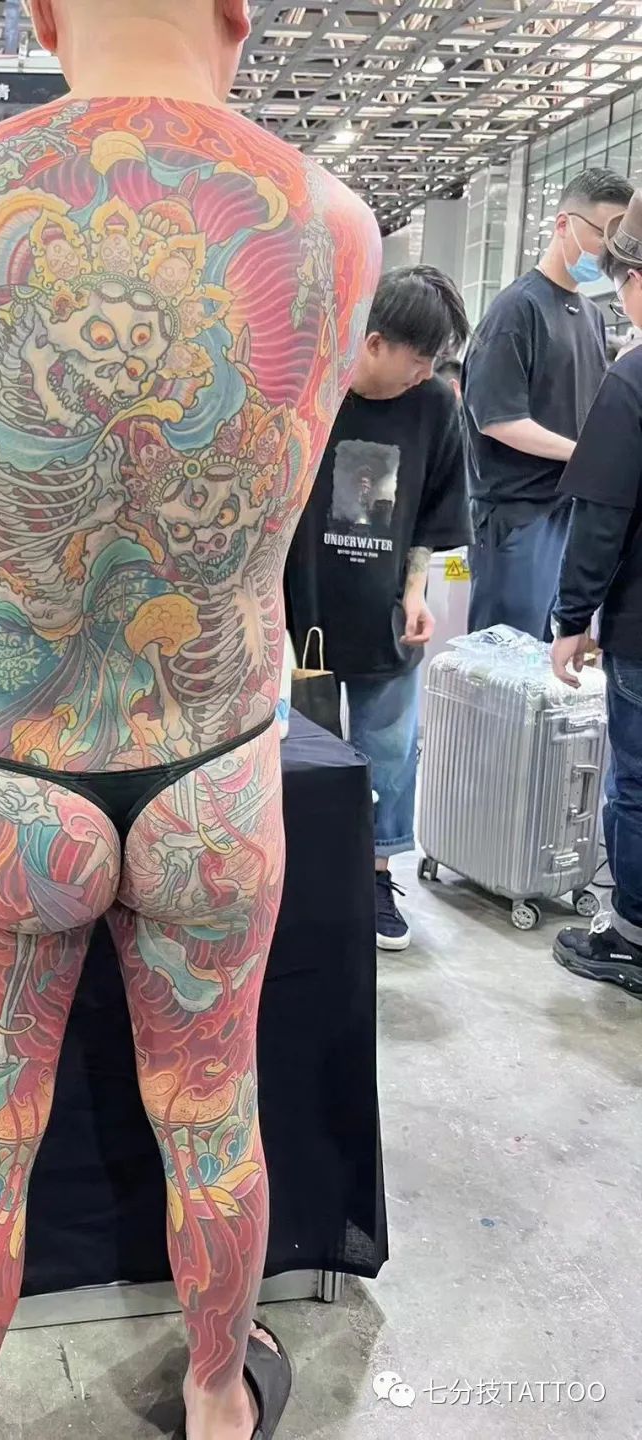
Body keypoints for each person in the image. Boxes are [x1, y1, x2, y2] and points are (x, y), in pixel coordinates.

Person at [0, 2, 382, 1438]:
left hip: (4, 770)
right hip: (212, 764)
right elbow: (279, 472)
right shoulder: (334, 226)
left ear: (41, 12)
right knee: (213, 1118)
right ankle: (216, 1400)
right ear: (239, 11)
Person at [287, 267, 471, 952]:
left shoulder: (435, 406)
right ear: (373, 342)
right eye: (418, 358)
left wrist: (415, 591)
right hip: (298, 611)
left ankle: (375, 876)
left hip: (384, 614)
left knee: (388, 751)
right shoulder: (310, 389)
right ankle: (301, 877)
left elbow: (433, 514)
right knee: (297, 754)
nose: (425, 372)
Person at [463, 168, 633, 640]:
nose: (610, 252)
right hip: (517, 516)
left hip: (567, 511)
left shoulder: (591, 317)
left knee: (545, 660)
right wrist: (584, 454)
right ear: (563, 225)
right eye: (603, 235)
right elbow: (497, 418)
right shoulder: (516, 310)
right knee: (501, 659)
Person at [551, 189, 642, 1000]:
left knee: (636, 786)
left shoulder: (634, 377)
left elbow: (603, 517)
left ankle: (632, 938)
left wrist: (571, 618)